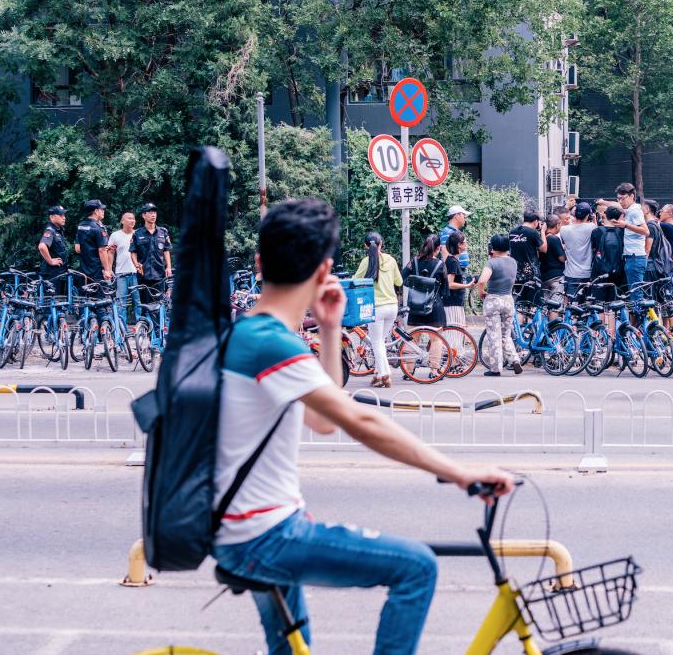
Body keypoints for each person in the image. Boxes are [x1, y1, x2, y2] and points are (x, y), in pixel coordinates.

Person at [212, 198, 513, 655]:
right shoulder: (271, 343)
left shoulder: (251, 334)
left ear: (258, 263)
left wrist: (331, 329)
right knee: (416, 569)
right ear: (324, 268)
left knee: (293, 649)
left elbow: (321, 418)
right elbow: (358, 419)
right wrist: (460, 473)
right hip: (265, 536)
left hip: (250, 529)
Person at [354, 232, 403, 388]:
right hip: (392, 307)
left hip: (376, 308)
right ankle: (378, 373)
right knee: (380, 341)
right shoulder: (390, 260)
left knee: (377, 342)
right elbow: (399, 282)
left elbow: (355, 281)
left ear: (365, 246)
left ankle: (384, 374)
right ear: (381, 243)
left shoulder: (366, 262)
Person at [477, 234, 523, 376]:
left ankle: (495, 369)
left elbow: (482, 280)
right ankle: (514, 359)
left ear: (493, 247)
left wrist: (481, 292)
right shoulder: (513, 262)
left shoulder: (492, 262)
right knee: (505, 335)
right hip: (508, 300)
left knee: (493, 336)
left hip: (493, 300)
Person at [610, 182, 649, 307]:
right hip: (633, 257)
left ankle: (639, 325)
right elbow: (616, 205)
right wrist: (602, 202)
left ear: (632, 196)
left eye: (623, 198)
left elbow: (646, 231)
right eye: (619, 198)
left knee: (636, 295)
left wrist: (625, 225)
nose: (620, 201)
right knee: (634, 294)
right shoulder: (632, 209)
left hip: (635, 257)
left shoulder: (634, 211)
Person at [403, 235, 449, 329]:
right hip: (434, 306)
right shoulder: (440, 265)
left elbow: (402, 278)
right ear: (439, 247)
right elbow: (445, 290)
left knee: (412, 339)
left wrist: (414, 284)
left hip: (416, 306)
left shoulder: (414, 261)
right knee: (436, 340)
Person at [131, 202, 172, 299]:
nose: (153, 215)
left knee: (159, 303)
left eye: (154, 212)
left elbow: (166, 251)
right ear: (143, 215)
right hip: (143, 275)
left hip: (159, 274)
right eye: (149, 212)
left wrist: (169, 267)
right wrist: (136, 264)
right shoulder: (137, 233)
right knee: (145, 305)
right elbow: (133, 252)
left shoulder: (163, 232)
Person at [559, 202, 596, 299]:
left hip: (571, 273)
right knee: (586, 306)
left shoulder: (564, 229)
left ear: (574, 214)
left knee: (571, 305)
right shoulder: (592, 227)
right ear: (588, 215)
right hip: (587, 274)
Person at [107, 211, 139, 322]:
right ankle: (122, 332)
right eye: (129, 218)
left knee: (138, 303)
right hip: (121, 273)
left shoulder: (138, 234)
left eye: (134, 218)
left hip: (137, 273)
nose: (132, 220)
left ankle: (142, 330)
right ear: (122, 221)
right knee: (121, 303)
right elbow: (110, 253)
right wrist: (109, 269)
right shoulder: (115, 235)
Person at [443, 231, 475, 340]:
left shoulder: (452, 260)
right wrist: (467, 286)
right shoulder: (453, 262)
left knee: (455, 333)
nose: (467, 244)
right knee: (455, 334)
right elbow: (450, 284)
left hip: (453, 302)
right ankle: (454, 356)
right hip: (453, 303)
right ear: (459, 245)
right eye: (465, 242)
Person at [74, 199, 112, 284]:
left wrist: (91, 247)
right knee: (99, 296)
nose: (103, 211)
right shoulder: (98, 228)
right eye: (101, 209)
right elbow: (102, 250)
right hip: (97, 271)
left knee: (86, 296)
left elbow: (77, 249)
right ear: (95, 211)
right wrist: (107, 270)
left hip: (84, 270)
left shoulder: (81, 226)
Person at [508, 211, 547, 284]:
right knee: (533, 295)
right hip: (531, 273)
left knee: (519, 294)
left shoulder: (512, 231)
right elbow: (543, 249)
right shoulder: (533, 232)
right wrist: (543, 232)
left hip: (515, 272)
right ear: (536, 221)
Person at [37, 205, 69, 287]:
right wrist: (50, 261)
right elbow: (42, 246)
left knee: (60, 299)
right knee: (52, 299)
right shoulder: (50, 230)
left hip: (58, 273)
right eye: (61, 215)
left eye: (64, 215)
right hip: (51, 274)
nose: (64, 218)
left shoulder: (58, 231)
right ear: (52, 217)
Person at [540, 214, 566, 304]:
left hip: (544, 276)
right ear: (557, 225)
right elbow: (562, 258)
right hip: (556, 277)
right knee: (555, 305)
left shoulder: (541, 239)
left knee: (545, 305)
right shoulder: (554, 239)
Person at [439, 205, 471, 271]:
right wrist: (451, 271)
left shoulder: (455, 232)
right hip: (454, 271)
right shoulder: (447, 232)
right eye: (463, 216)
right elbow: (445, 253)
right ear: (456, 216)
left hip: (458, 270)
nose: (465, 219)